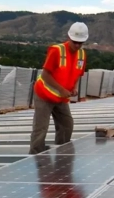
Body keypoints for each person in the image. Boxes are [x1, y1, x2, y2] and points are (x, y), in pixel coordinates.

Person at [30, 22, 89, 155]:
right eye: (75, 42)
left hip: (61, 98)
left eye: (81, 43)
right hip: (45, 94)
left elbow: (77, 74)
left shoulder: (82, 55)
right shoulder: (57, 50)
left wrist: (73, 88)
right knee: (41, 129)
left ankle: (61, 155)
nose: (78, 45)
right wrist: (61, 89)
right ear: (69, 38)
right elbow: (45, 75)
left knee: (67, 125)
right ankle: (35, 158)